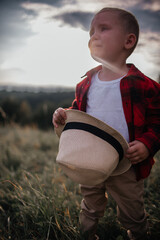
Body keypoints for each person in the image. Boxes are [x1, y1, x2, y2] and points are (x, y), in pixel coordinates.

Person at [52, 7, 160, 240]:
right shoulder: (85, 84)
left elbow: (157, 121)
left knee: (132, 210)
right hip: (89, 159)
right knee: (90, 205)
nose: (94, 36)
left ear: (128, 41)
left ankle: (138, 234)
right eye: (91, 32)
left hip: (127, 164)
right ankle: (88, 234)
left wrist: (147, 144)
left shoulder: (144, 86)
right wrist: (65, 115)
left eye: (103, 28)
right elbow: (82, 114)